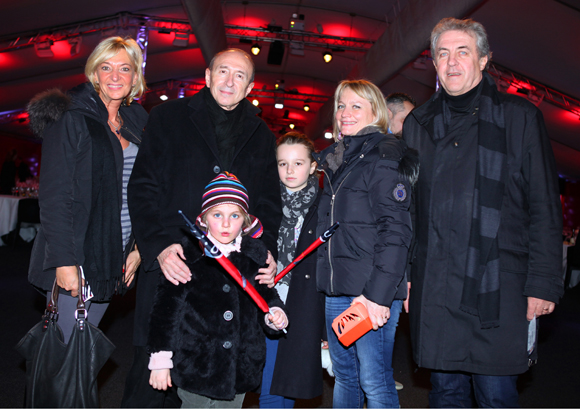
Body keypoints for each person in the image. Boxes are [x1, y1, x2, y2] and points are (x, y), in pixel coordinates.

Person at [403, 17, 563, 408]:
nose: (452, 62)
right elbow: (408, 211)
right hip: (436, 284)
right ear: (435, 64)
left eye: (463, 52)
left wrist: (542, 283)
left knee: (496, 395)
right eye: (443, 53)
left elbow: (544, 205)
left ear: (484, 60)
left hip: (498, 286)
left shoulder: (519, 117)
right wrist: (405, 278)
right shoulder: (417, 124)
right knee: (445, 393)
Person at [122, 48, 282, 407]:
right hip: (173, 263)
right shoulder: (167, 117)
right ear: (208, 76)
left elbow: (270, 204)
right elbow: (144, 187)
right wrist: (160, 246)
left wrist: (264, 249)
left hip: (228, 276)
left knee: (214, 374)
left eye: (239, 75)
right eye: (222, 71)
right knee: (149, 374)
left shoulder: (261, 134)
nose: (229, 80)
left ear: (250, 86)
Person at [26, 36, 148, 342]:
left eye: (125, 68)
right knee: (64, 355)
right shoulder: (71, 117)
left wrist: (138, 249)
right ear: (94, 73)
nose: (115, 76)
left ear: (136, 76)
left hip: (114, 256)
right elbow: (55, 196)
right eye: (106, 67)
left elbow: (147, 191)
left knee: (84, 356)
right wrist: (64, 262)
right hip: (78, 254)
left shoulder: (137, 122)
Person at [314, 79, 419, 408]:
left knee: (374, 379)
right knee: (344, 375)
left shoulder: (384, 154)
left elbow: (396, 229)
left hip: (370, 290)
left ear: (377, 112)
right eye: (341, 105)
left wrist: (377, 295)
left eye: (356, 106)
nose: (345, 113)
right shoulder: (338, 157)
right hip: (338, 286)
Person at [147, 172, 288, 408]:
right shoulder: (188, 255)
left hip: (239, 367)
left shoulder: (255, 256)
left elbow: (268, 297)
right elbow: (165, 312)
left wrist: (275, 314)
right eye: (217, 215)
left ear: (244, 221)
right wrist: (161, 359)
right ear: (204, 219)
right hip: (197, 365)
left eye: (234, 215)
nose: (225, 223)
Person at [259, 132, 325, 408]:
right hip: (270, 297)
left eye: (298, 163)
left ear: (312, 166)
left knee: (289, 383)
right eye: (282, 163)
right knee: (269, 382)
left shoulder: (326, 206)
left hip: (306, 301)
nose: (289, 170)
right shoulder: (263, 203)